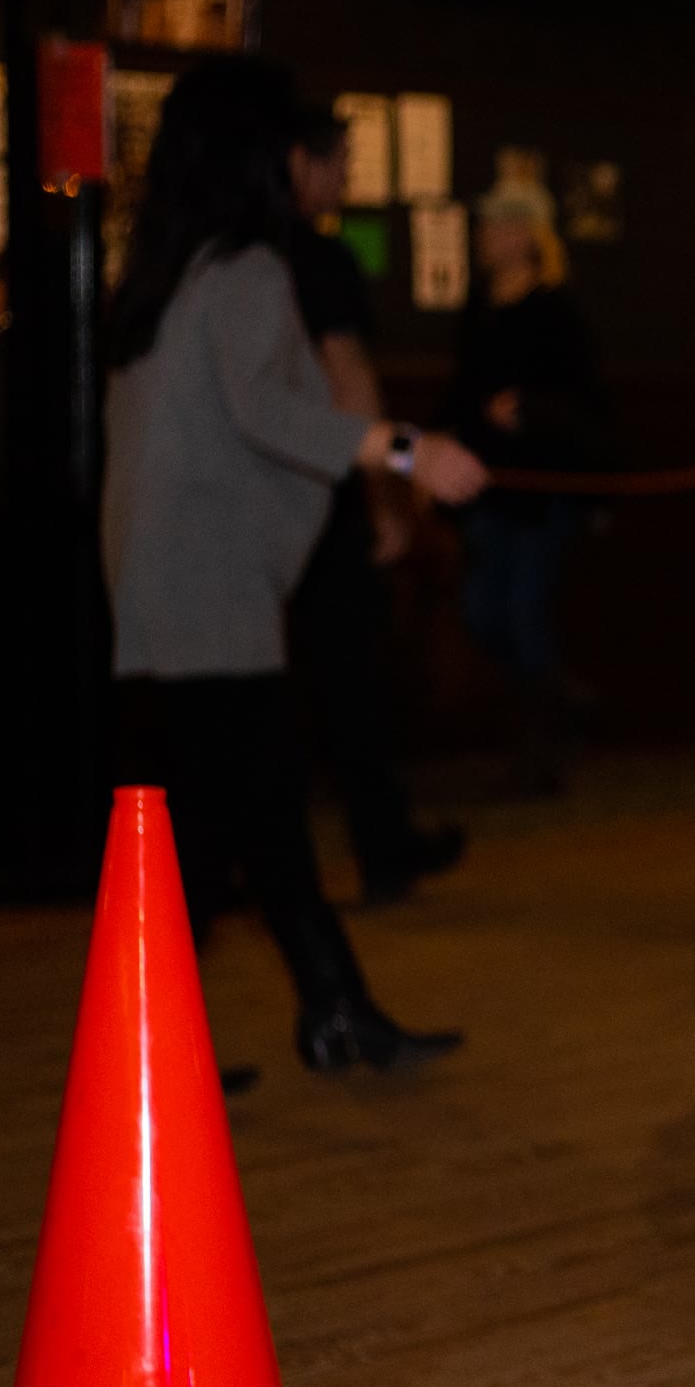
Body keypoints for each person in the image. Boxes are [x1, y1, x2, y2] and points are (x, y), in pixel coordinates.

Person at [100, 57, 486, 1078]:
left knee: (242, 821)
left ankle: (314, 1012)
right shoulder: (247, 272)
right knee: (232, 823)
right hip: (211, 589)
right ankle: (172, 1047)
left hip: (160, 584)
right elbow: (267, 410)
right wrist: (405, 451)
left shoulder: (163, 276)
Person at [282, 106, 465, 903]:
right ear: (303, 162)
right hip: (322, 495)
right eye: (340, 162)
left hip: (253, 504)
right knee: (349, 677)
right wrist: (388, 490)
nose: (347, 179)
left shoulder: (230, 259)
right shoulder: (318, 261)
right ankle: (380, 846)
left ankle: (268, 860)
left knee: (283, 685)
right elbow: (348, 377)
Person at [445, 175, 608, 797]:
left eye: (496, 225)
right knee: (484, 609)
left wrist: (531, 411)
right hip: (489, 489)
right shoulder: (479, 310)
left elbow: (589, 405)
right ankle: (562, 697)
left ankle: (540, 749)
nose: (484, 236)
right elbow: (461, 391)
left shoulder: (558, 314)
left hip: (544, 492)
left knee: (524, 608)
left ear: (525, 236)